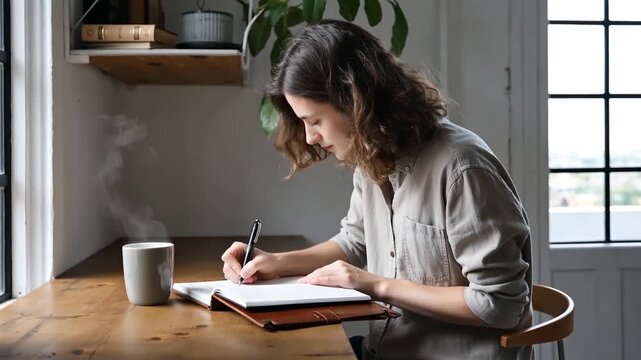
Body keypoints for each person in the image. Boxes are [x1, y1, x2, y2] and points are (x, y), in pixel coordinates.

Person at [221, 19, 532, 360]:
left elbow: (500, 305)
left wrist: (375, 285)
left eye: (314, 121)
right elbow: (354, 242)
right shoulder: (373, 155)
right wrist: (277, 262)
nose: (309, 137)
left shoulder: (462, 169)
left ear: (355, 101)